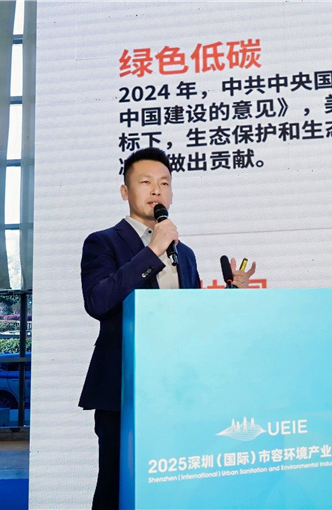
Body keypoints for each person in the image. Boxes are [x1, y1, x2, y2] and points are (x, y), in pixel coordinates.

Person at [78, 147, 256, 510]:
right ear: (125, 191)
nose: (156, 190)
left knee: (171, 489)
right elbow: (98, 301)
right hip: (123, 389)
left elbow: (192, 319)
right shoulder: (102, 242)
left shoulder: (184, 253)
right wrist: (151, 251)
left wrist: (232, 293)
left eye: (164, 183)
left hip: (176, 390)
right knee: (116, 487)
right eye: (145, 182)